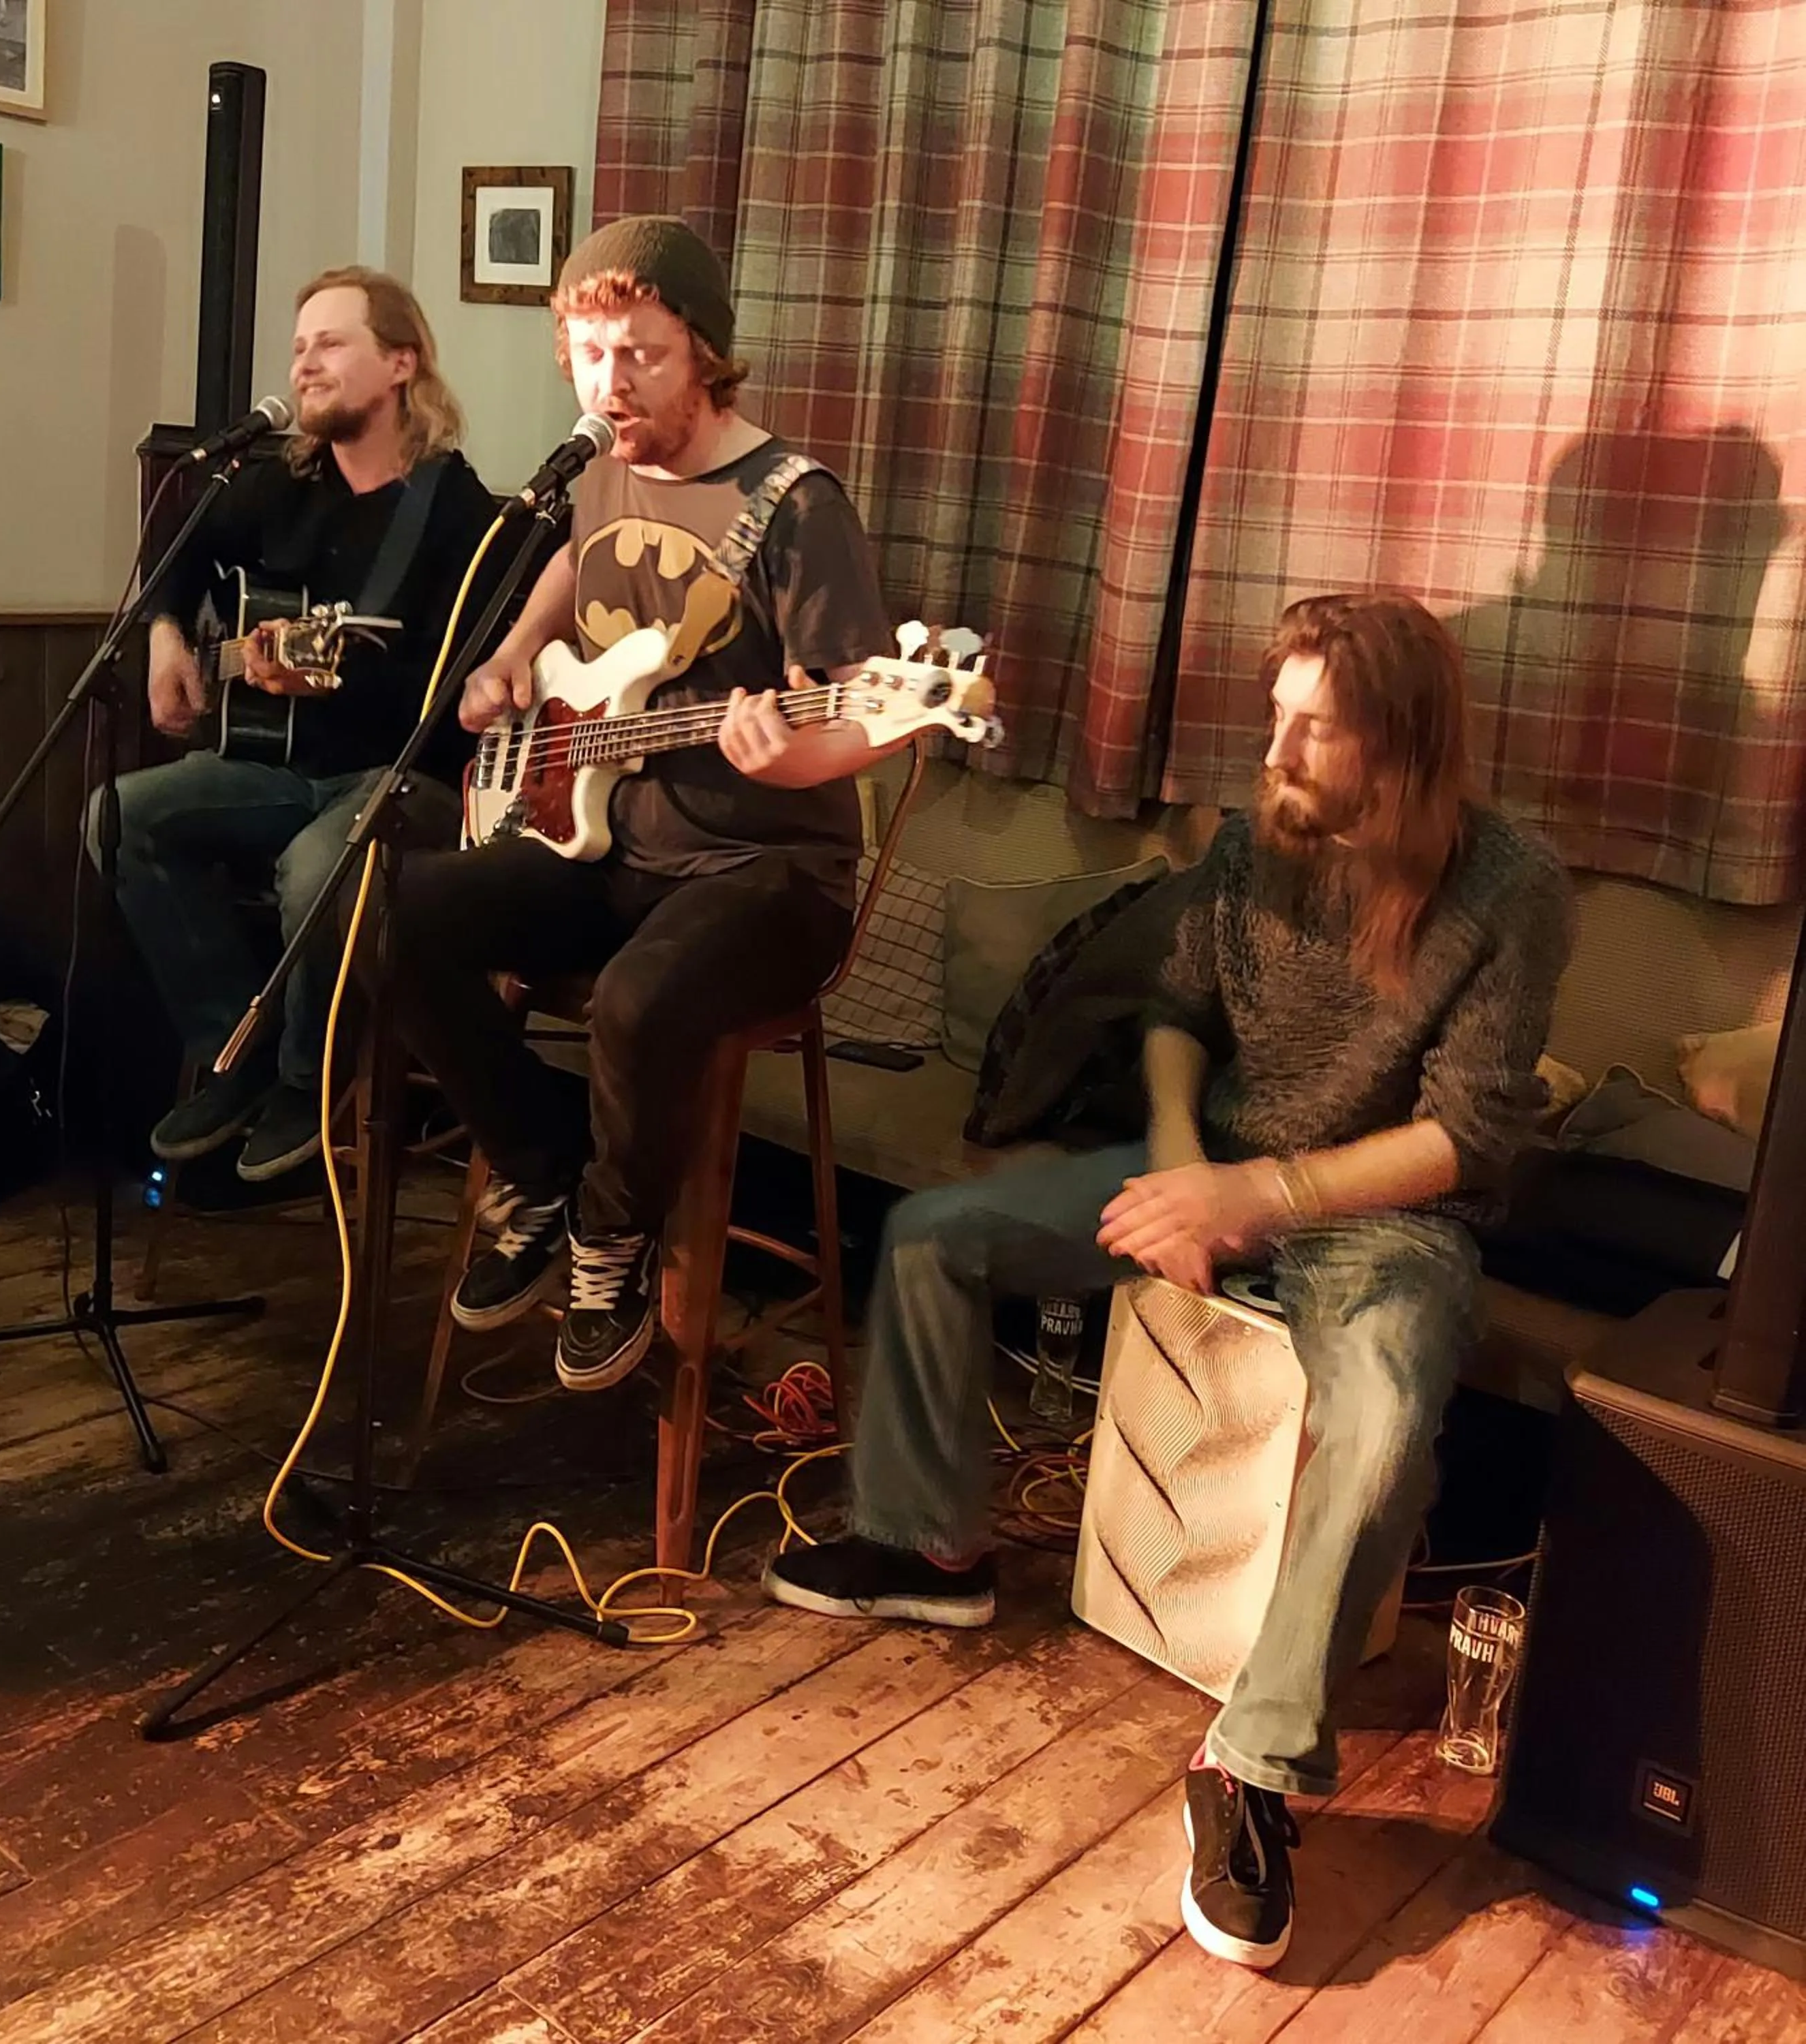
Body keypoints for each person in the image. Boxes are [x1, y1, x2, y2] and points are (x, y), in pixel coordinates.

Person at [765, 593, 1574, 1971]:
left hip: (1386, 1220)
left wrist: (1257, 1196)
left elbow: (1467, 1140)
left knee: (1379, 1432)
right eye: (1280, 713)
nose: (1284, 743)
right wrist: (1189, 1174)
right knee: (933, 1237)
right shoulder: (1257, 838)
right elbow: (1178, 1018)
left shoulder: (1509, 889)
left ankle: (1254, 1771)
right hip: (1218, 1159)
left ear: (1407, 739)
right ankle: (927, 1544)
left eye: (1318, 723)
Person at [387, 215, 899, 1393]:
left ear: (706, 354)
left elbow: (868, 713)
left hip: (768, 875)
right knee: (386, 909)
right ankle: (537, 1162)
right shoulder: (601, 463)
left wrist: (787, 757)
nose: (609, 382)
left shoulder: (796, 504)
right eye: (587, 349)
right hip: (609, 842)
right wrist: (516, 653)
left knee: (635, 1000)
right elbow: (577, 560)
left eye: (641, 354)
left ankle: (612, 1235)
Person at [89, 266, 501, 1182]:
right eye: (299, 346)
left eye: (331, 343)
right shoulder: (284, 485)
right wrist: (166, 640)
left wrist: (336, 688)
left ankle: (306, 1083)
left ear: (401, 363)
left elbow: (456, 714)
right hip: (281, 772)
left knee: (318, 864)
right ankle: (234, 1047)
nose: (305, 363)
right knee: (121, 814)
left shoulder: (465, 520)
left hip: (406, 785)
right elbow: (176, 552)